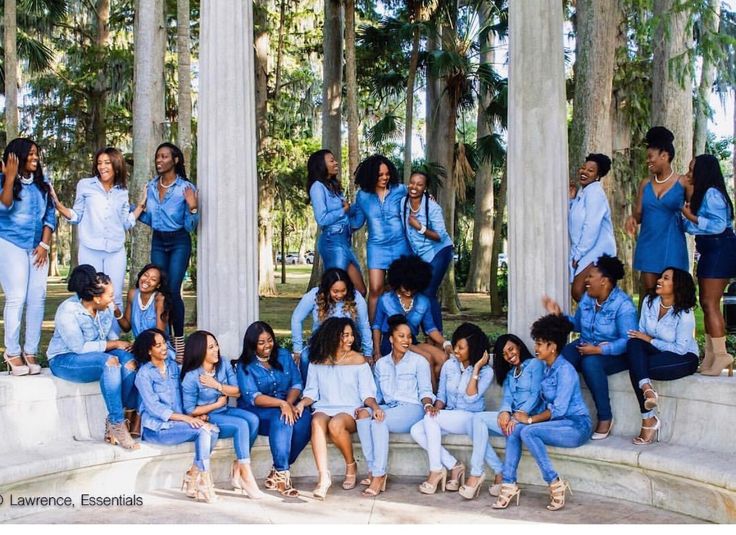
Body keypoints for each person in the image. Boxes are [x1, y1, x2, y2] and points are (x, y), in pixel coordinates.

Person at [492, 314, 592, 512]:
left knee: (527, 430)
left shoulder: (565, 370)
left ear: (552, 346)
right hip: (557, 425)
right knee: (515, 429)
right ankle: (509, 483)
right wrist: (515, 417)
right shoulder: (547, 368)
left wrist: (529, 419)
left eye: (539, 344)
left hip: (577, 426)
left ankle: (555, 483)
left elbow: (559, 410)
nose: (535, 348)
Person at [543, 254, 637, 440]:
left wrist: (600, 350)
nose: (586, 280)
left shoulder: (623, 305)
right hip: (586, 344)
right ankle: (556, 410)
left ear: (604, 281)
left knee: (590, 363)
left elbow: (628, 341)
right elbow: (577, 324)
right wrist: (559, 315)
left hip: (614, 353)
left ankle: (605, 417)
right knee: (560, 359)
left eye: (590, 276)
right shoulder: (587, 299)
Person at [47, 265, 138, 449]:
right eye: (110, 295)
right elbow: (79, 348)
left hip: (95, 353)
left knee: (129, 362)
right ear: (97, 298)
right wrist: (114, 345)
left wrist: (124, 346)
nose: (113, 299)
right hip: (65, 359)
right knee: (109, 363)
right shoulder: (68, 311)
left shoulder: (104, 309)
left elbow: (109, 335)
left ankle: (119, 417)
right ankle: (117, 423)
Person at [50, 147, 144, 318]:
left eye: (107, 162)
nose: (102, 167)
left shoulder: (122, 191)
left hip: (116, 251)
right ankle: (92, 337)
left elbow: (126, 222)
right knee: (89, 295)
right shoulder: (85, 185)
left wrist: (140, 207)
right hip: (90, 249)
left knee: (113, 298)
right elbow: (77, 215)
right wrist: (59, 206)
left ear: (116, 165)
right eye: (99, 163)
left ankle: (113, 338)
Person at [294, 317, 380, 499]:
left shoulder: (358, 360)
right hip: (324, 407)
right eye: (345, 336)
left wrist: (375, 406)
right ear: (332, 337)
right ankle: (323, 476)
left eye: (351, 335)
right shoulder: (317, 361)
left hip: (349, 410)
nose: (350, 340)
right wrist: (302, 403)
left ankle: (351, 465)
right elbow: (311, 392)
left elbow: (367, 393)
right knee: (316, 421)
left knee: (336, 424)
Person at [133, 328, 220, 503]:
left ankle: (192, 475)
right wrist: (187, 419)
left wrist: (194, 414)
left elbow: (183, 395)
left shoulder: (173, 366)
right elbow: (155, 408)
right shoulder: (144, 375)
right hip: (157, 428)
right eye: (158, 345)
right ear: (149, 350)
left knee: (213, 430)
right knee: (204, 431)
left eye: (164, 343)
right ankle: (204, 480)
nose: (164, 347)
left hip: (178, 423)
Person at [356, 315, 435, 497]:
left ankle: (379, 475)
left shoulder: (419, 362)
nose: (406, 340)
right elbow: (378, 397)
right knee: (363, 415)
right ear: (391, 339)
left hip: (412, 408)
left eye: (408, 336)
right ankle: (371, 468)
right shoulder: (381, 364)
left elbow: (425, 391)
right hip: (391, 407)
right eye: (401, 336)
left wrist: (428, 405)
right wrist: (369, 407)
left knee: (379, 421)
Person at [409, 323, 492, 495]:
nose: (456, 351)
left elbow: (471, 397)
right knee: (416, 430)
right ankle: (454, 465)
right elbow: (441, 396)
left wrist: (475, 369)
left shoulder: (486, 372)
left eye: (461, 348)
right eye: (455, 346)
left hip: (471, 418)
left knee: (430, 420)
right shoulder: (449, 365)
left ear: (473, 348)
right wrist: (434, 407)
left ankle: (435, 471)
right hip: (450, 415)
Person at [460, 334, 545, 500]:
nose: (509, 355)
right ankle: (497, 471)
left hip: (530, 419)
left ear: (519, 346)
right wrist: (505, 412)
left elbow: (536, 395)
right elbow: (507, 399)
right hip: (513, 419)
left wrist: (517, 416)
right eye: (504, 354)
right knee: (474, 421)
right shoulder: (510, 375)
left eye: (511, 349)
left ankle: (476, 475)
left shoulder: (535, 364)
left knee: (477, 423)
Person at [181, 330, 263, 499]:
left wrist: (217, 385)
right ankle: (246, 475)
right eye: (211, 347)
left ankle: (238, 467)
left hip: (224, 411)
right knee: (241, 425)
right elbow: (190, 410)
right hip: (209, 416)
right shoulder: (191, 377)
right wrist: (216, 404)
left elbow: (237, 391)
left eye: (216, 345)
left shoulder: (223, 363)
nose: (216, 349)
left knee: (253, 420)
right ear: (199, 350)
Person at [137, 142, 198, 361]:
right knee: (160, 292)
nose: (159, 161)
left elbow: (191, 226)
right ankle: (163, 340)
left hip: (179, 241)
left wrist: (192, 207)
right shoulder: (151, 187)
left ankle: (179, 341)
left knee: (172, 289)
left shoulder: (186, 188)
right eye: (157, 157)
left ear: (175, 160)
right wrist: (139, 208)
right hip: (158, 240)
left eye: (164, 157)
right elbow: (151, 219)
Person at [0, 138, 56, 375]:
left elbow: (50, 216)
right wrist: (10, 177)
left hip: (37, 247)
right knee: (17, 297)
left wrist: (44, 244)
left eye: (37, 154)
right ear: (16, 156)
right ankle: (11, 352)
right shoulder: (3, 180)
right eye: (30, 154)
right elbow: (5, 207)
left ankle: (30, 350)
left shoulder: (43, 184)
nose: (35, 158)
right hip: (10, 242)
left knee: (37, 297)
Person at [237, 321, 311, 497]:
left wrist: (290, 404)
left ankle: (277, 472)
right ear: (252, 344)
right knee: (281, 418)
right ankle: (282, 473)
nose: (267, 345)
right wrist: (282, 404)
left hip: (286, 404)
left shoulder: (284, 355)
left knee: (305, 419)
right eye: (261, 342)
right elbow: (253, 397)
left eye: (269, 340)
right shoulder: (245, 365)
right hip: (258, 411)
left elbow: (296, 383)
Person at [626, 268, 699, 444]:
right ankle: (647, 390)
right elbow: (641, 334)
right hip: (657, 350)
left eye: (666, 278)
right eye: (661, 277)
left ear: (677, 285)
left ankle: (648, 420)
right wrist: (647, 340)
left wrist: (651, 341)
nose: (659, 280)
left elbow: (680, 349)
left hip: (684, 357)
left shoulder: (685, 313)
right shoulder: (649, 302)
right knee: (634, 343)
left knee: (638, 367)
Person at [682, 154, 736, 376]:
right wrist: (687, 218)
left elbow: (717, 225)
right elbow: (696, 228)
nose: (689, 174)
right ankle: (712, 355)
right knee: (706, 302)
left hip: (720, 249)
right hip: (711, 249)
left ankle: (722, 354)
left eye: (693, 170)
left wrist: (690, 217)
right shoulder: (703, 194)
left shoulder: (713, 194)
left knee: (710, 301)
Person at [626, 126, 689, 301]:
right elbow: (639, 214)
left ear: (664, 155)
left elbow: (693, 212)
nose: (648, 161)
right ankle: (649, 329)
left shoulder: (683, 182)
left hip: (673, 245)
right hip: (649, 246)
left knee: (675, 296)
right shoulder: (645, 184)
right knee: (651, 295)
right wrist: (632, 219)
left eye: (650, 157)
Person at [372, 255, 452, 386]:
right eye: (405, 287)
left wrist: (446, 344)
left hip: (412, 341)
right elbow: (377, 326)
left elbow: (431, 329)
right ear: (397, 281)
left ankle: (431, 390)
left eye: (413, 287)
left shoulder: (423, 302)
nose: (409, 291)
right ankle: (431, 398)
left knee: (443, 359)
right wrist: (377, 351)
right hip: (392, 343)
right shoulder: (385, 300)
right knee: (428, 358)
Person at [352, 154, 411, 321]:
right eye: (380, 175)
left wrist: (428, 198)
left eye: (387, 173)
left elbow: (417, 199)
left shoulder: (400, 189)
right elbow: (358, 221)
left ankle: (402, 329)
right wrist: (342, 217)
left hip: (400, 245)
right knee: (376, 288)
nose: (385, 177)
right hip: (377, 247)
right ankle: (372, 331)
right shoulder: (362, 196)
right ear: (371, 176)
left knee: (402, 288)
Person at [291, 268, 372, 382]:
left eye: (343, 290)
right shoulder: (314, 295)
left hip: (348, 344)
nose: (339, 295)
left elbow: (364, 325)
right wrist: (297, 349)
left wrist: (368, 351)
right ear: (327, 289)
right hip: (321, 344)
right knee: (305, 358)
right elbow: (296, 319)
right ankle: (306, 392)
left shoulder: (356, 297)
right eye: (335, 291)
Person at [306, 149, 366, 295]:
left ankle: (346, 317)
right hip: (332, 242)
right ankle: (328, 317)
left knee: (360, 290)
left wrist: (363, 196)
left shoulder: (334, 188)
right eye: (331, 160)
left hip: (344, 242)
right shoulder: (317, 187)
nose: (336, 162)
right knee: (335, 290)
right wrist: (343, 211)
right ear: (322, 165)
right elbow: (322, 219)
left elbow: (353, 220)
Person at [401, 170, 454, 331]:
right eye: (412, 183)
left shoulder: (432, 207)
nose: (414, 187)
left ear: (425, 188)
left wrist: (420, 227)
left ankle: (435, 336)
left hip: (439, 251)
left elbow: (440, 236)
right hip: (420, 255)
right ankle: (423, 332)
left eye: (419, 184)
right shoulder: (402, 202)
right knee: (417, 292)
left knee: (428, 291)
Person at [568, 153, 616, 302]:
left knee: (579, 290)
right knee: (583, 293)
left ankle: (602, 319)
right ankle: (594, 322)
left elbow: (591, 227)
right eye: (583, 168)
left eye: (590, 170)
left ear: (598, 175)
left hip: (598, 249)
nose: (584, 172)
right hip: (586, 250)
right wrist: (571, 200)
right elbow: (575, 219)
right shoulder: (584, 191)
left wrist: (578, 254)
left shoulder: (595, 192)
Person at [115, 263, 175, 361]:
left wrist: (138, 344)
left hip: (159, 350)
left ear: (158, 285)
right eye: (146, 275)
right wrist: (116, 312)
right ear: (140, 276)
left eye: (153, 279)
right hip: (139, 349)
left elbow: (159, 334)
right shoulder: (132, 294)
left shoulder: (160, 299)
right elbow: (126, 327)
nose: (147, 280)